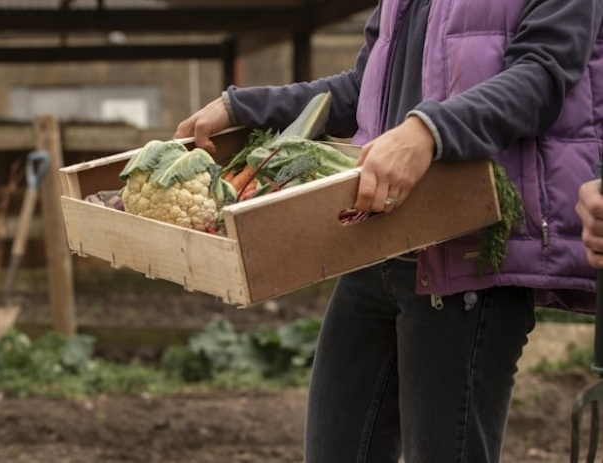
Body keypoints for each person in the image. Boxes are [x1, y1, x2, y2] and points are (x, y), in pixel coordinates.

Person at [175, 0, 603, 462]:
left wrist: (427, 131)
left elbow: (541, 77)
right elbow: (365, 92)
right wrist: (242, 106)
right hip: (374, 248)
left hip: (466, 257)